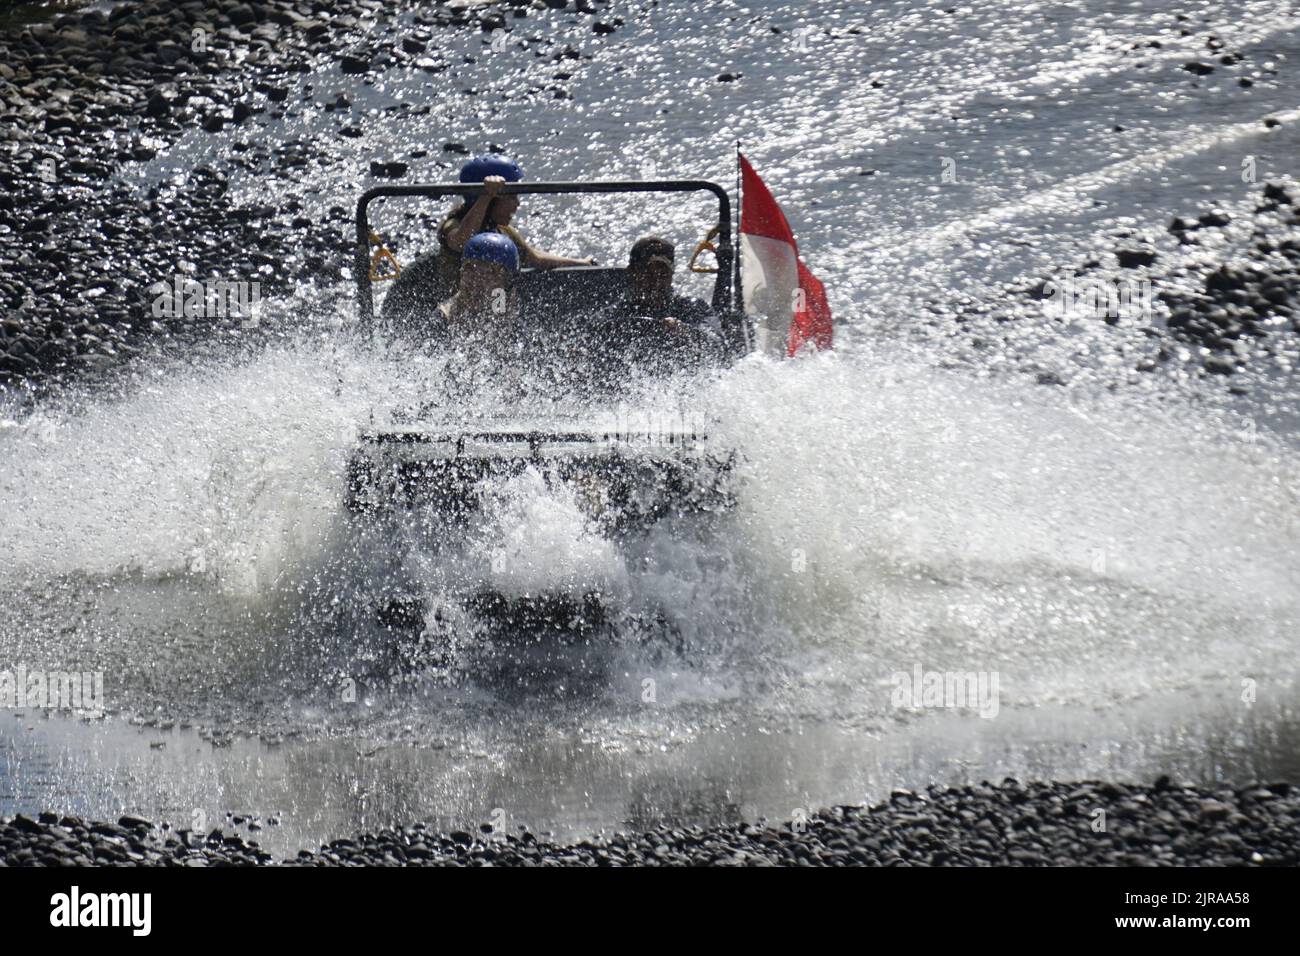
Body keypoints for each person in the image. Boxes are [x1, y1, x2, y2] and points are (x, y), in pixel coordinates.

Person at [381, 155, 593, 333]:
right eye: (512, 197)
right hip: (422, 306)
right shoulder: (455, 226)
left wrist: (581, 262)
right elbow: (462, 241)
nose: (517, 203)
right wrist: (486, 196)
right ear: (492, 200)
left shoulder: (504, 234)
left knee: (501, 302)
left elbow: (534, 258)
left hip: (479, 301)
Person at [590, 236, 723, 374]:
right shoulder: (611, 317)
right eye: (648, 274)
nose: (656, 282)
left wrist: (686, 332)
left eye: (663, 274)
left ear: (672, 275)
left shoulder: (692, 309)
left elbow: (717, 346)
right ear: (632, 273)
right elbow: (588, 341)